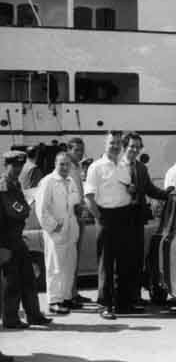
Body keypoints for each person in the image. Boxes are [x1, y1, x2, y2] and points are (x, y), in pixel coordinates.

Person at [0, 150, 52, 329]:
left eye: (20, 166)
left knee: (28, 278)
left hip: (17, 238)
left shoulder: (15, 184)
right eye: (14, 165)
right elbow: (18, 211)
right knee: (12, 282)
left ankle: (34, 315)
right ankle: (10, 319)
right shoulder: (4, 186)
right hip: (6, 241)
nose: (17, 169)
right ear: (5, 165)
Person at [121, 132, 173, 306]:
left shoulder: (141, 168)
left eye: (138, 147)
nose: (135, 150)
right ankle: (121, 298)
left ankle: (135, 296)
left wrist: (168, 195)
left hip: (137, 219)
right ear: (125, 147)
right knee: (121, 260)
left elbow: (150, 189)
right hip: (120, 219)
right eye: (132, 146)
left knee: (137, 258)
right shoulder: (116, 166)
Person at [84, 131, 133, 320]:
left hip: (124, 215)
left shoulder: (124, 166)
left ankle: (122, 304)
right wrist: (99, 218)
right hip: (106, 216)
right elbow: (89, 197)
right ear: (105, 144)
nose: (115, 146)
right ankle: (104, 304)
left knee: (123, 261)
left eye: (118, 143)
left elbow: (127, 188)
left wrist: (131, 190)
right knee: (106, 263)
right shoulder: (96, 167)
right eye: (112, 142)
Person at [35, 152, 80, 315]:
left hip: (71, 229)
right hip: (55, 232)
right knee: (55, 267)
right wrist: (54, 226)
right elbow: (41, 209)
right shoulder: (47, 182)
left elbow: (74, 203)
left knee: (69, 265)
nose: (65, 167)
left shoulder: (71, 181)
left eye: (67, 164)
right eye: (61, 164)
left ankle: (66, 297)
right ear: (55, 164)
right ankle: (54, 301)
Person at [66, 137, 91, 308]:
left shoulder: (77, 167)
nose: (80, 153)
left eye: (82, 150)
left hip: (79, 216)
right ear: (69, 150)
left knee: (75, 257)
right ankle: (68, 295)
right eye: (76, 150)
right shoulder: (66, 168)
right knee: (69, 258)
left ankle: (74, 292)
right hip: (70, 217)